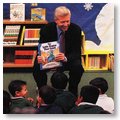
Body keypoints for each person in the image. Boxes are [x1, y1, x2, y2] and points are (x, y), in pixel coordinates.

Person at [33, 6, 84, 97]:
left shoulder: (76, 30)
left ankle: (73, 90)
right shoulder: (46, 29)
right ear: (56, 20)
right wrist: (41, 56)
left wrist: (65, 58)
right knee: (37, 66)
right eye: (62, 22)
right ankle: (42, 90)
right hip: (50, 59)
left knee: (78, 67)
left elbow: (76, 52)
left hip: (67, 59)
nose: (65, 24)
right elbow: (41, 47)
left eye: (67, 21)